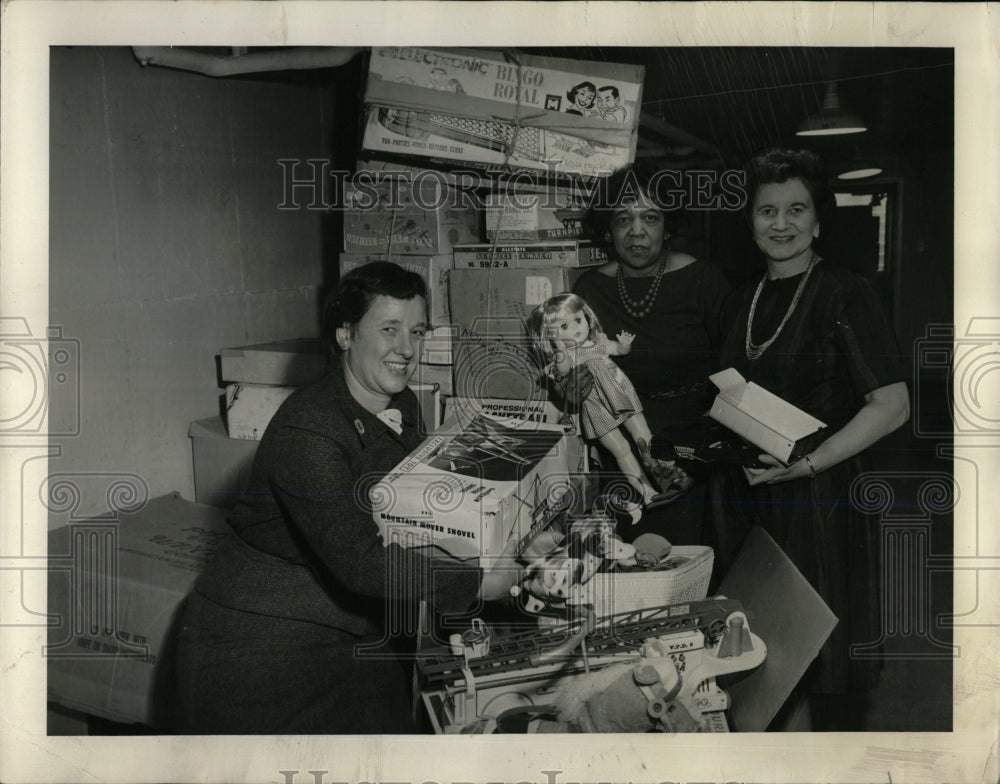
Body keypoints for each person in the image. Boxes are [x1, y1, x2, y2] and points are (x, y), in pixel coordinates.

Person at [174, 262, 532, 734]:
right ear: (345, 335)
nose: (406, 349)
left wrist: (511, 542)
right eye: (388, 330)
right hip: (264, 647)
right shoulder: (310, 428)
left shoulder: (397, 402)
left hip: (348, 626)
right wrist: (476, 584)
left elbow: (419, 514)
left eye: (417, 331)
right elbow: (362, 561)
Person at [706, 149, 910, 730]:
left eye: (797, 209)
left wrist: (812, 464)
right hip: (746, 503)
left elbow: (892, 406)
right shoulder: (737, 300)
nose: (781, 223)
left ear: (819, 221)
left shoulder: (846, 293)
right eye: (767, 210)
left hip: (817, 502)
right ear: (750, 223)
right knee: (751, 663)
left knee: (800, 663)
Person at [572, 163, 731, 545]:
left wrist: (693, 464)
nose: (637, 230)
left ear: (669, 225)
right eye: (623, 218)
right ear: (608, 229)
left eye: (651, 217)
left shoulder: (704, 281)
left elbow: (735, 384)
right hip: (620, 457)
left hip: (698, 457)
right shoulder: (589, 288)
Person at [526, 293, 657, 508]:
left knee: (643, 434)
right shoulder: (566, 357)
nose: (575, 328)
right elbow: (563, 369)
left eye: (578, 320)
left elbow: (618, 350)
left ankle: (663, 474)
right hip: (595, 407)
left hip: (618, 393)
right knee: (621, 450)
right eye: (563, 327)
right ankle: (646, 491)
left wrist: (624, 344)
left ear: (587, 317)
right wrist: (559, 346)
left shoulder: (597, 343)